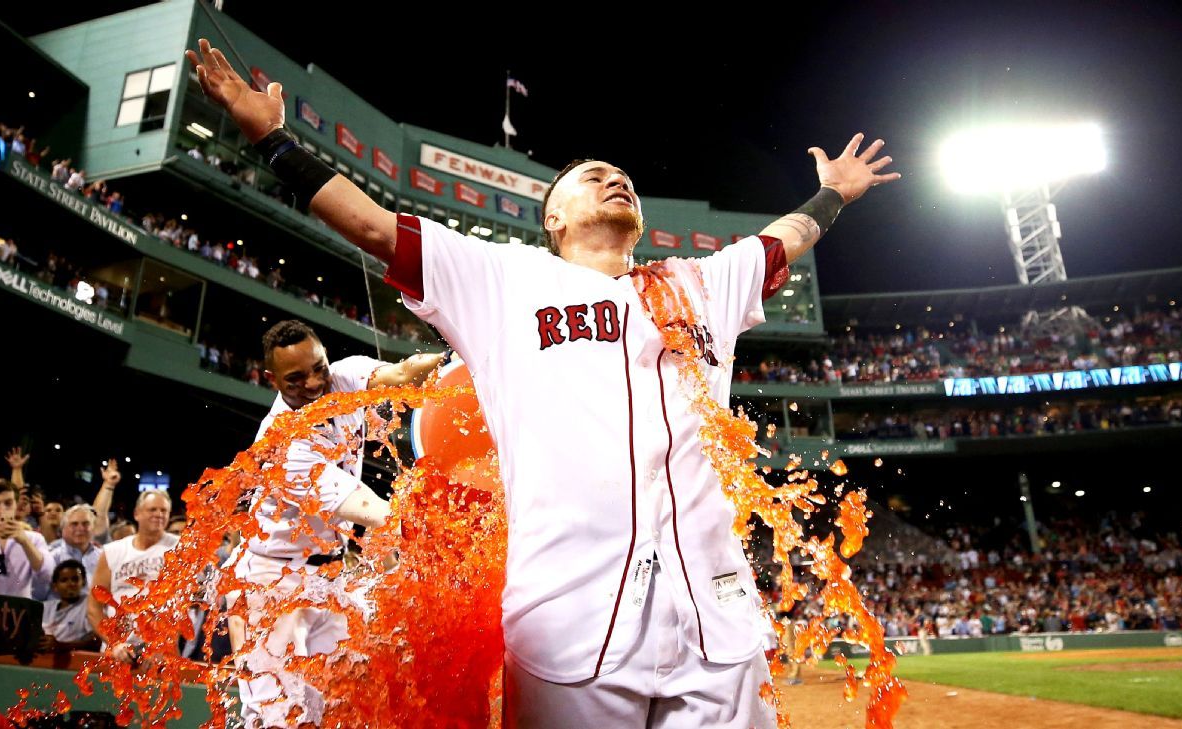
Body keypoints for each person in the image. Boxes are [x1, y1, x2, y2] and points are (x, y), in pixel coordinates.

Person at [188, 38, 898, 727]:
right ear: (554, 218)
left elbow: (784, 240)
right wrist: (273, 142)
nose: (614, 178)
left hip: (717, 623)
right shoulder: (504, 278)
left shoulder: (700, 283)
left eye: (621, 175)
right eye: (591, 176)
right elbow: (375, 229)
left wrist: (832, 193)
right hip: (567, 621)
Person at [228, 319, 442, 729]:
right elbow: (368, 508)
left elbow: (403, 373)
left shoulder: (342, 376)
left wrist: (455, 357)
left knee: (345, 703)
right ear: (270, 379)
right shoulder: (280, 443)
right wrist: (432, 523)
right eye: (296, 378)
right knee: (278, 717)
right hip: (272, 581)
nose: (314, 384)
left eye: (319, 368)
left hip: (329, 574)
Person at [86, 490, 179, 664]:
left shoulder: (179, 548)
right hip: (116, 652)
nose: (159, 514)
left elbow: (185, 604)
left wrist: (163, 644)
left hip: (160, 655)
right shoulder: (113, 551)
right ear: (137, 513)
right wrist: (114, 643)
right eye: (152, 509)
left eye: (164, 511)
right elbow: (93, 606)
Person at [35, 504, 103, 600]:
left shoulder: (104, 557)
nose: (80, 528)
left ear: (93, 528)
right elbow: (38, 595)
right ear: (63, 529)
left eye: (86, 524)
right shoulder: (51, 558)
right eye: (74, 524)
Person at [40, 560, 99, 653]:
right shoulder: (44, 607)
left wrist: (60, 646)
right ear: (55, 586)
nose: (70, 584)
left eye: (75, 579)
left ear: (83, 582)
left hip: (75, 663)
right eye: (64, 580)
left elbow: (95, 642)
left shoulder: (90, 605)